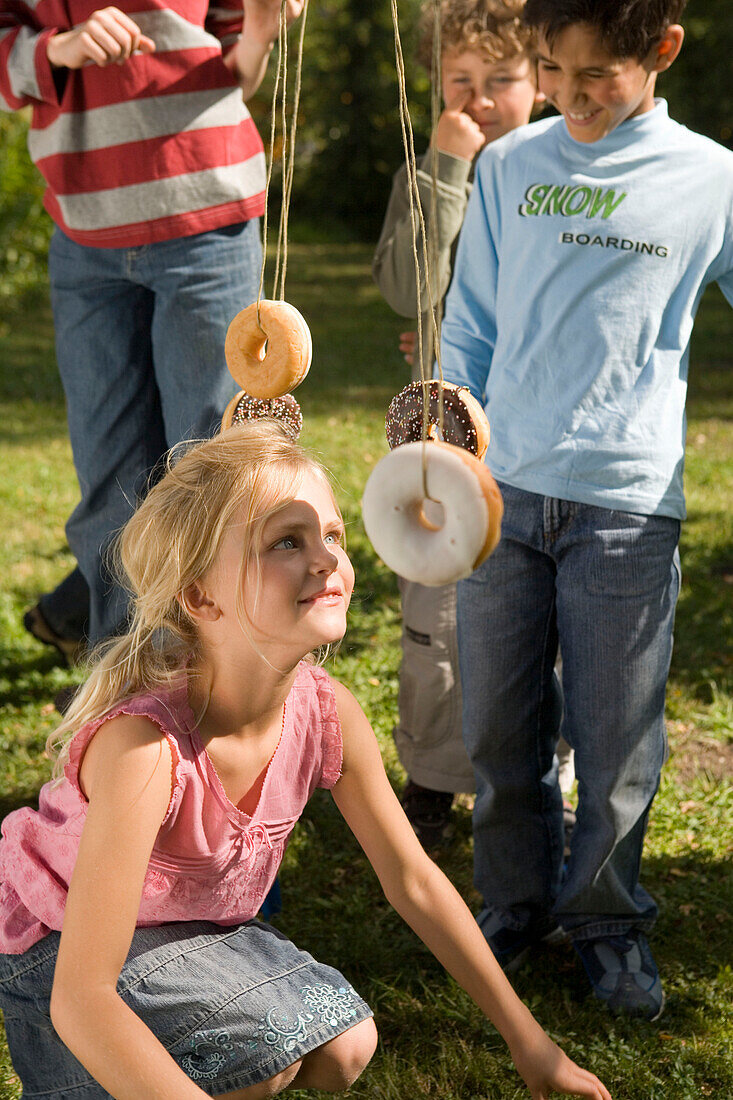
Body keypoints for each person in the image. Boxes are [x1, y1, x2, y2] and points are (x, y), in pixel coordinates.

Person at [0, 422, 611, 1100]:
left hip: (185, 929)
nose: (325, 559)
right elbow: (81, 998)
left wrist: (530, 1042)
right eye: (285, 541)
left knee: (343, 1044)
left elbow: (412, 880)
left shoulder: (325, 714)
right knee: (260, 1062)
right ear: (201, 598)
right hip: (57, 952)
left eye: (332, 536)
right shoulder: (145, 751)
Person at [439, 0, 733, 1018]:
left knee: (616, 745)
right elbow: (466, 325)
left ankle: (606, 923)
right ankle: (512, 905)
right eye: (554, 74)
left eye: (596, 74)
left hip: (627, 507)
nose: (571, 97)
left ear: (661, 52)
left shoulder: (711, 178)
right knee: (497, 728)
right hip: (498, 497)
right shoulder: (510, 167)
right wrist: (443, 464)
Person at [0, 0, 303, 653]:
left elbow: (236, 70)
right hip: (83, 225)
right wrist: (57, 47)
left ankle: (212, 675)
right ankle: (122, 685)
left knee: (207, 466)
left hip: (207, 218)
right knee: (108, 476)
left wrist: (260, 29)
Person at [373, 0, 568, 849]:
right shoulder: (431, 168)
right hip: (441, 438)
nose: (480, 98)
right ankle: (431, 777)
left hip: (539, 432)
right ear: (434, 83)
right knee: (438, 613)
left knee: (535, 613)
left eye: (501, 81)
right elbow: (401, 285)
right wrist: (446, 173)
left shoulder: (559, 174)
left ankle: (535, 776)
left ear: (543, 83)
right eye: (460, 81)